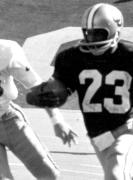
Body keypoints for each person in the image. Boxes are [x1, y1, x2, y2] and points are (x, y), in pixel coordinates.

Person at [26, 3, 133, 180]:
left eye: (98, 33)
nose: (91, 39)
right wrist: (47, 101)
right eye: (88, 33)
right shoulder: (71, 57)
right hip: (99, 138)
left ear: (115, 29)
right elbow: (57, 92)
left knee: (115, 175)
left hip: (129, 133)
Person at [0, 39, 77, 180]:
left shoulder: (5, 51)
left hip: (8, 119)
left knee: (48, 175)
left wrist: (57, 120)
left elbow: (36, 86)